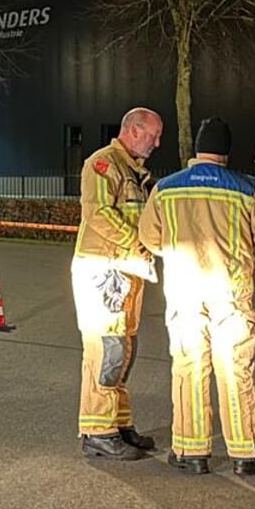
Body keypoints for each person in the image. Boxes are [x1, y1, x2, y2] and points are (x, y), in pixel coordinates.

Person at [137, 118, 255, 475]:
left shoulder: (166, 189)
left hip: (185, 294)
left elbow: (150, 239)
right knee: (235, 372)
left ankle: (190, 452)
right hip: (229, 295)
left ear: (196, 149)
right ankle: (246, 455)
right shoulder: (246, 189)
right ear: (226, 152)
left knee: (189, 368)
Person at [73, 108, 163, 460]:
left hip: (127, 271)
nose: (158, 143)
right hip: (103, 270)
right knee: (107, 350)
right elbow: (97, 213)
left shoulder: (133, 171)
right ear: (134, 129)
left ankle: (119, 423)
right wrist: (137, 244)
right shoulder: (103, 164)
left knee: (124, 349)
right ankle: (98, 430)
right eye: (153, 135)